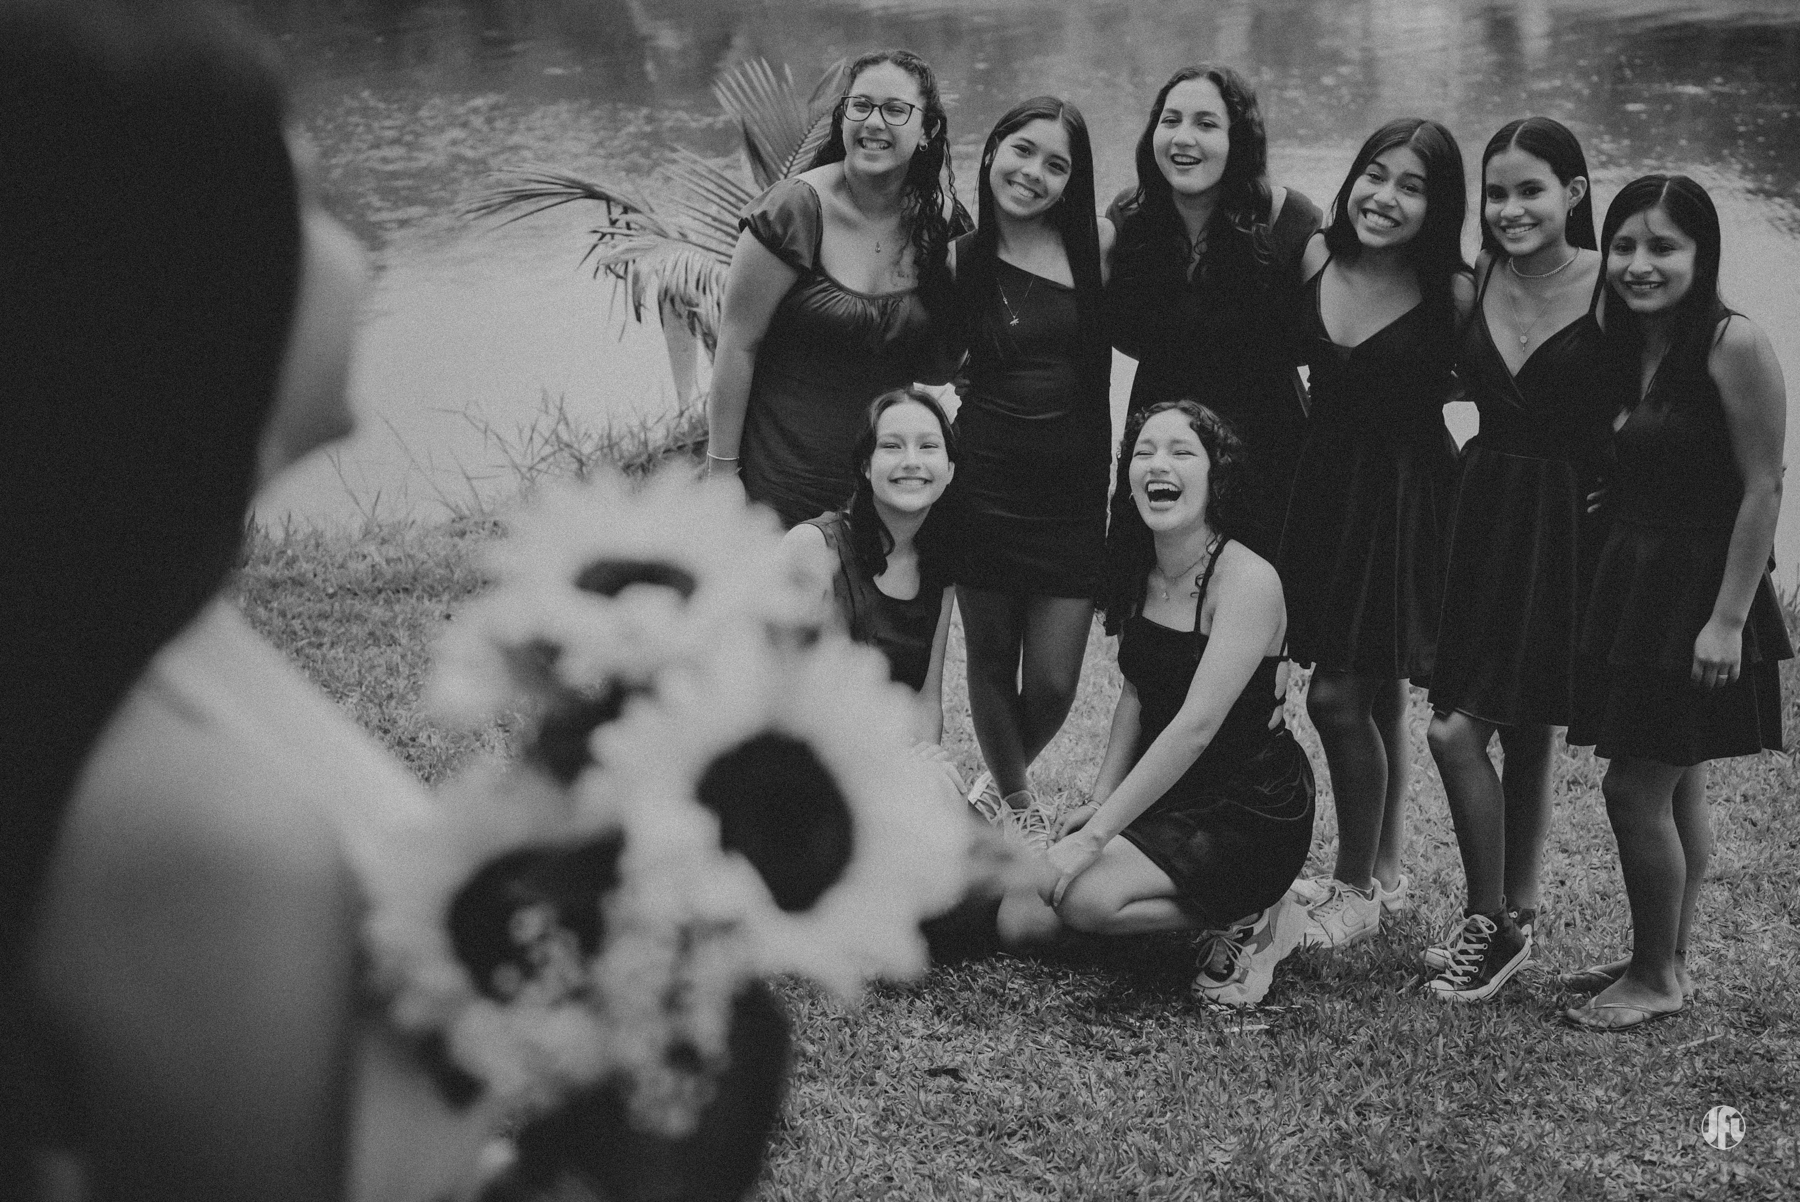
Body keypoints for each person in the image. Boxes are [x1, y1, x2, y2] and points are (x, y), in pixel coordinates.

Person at [0, 2, 509, 1197]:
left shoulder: (134, 616)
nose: (363, 245)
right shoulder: (198, 842)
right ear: (183, 271)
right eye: (315, 199)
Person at [1561, 176, 1790, 1030]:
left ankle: (1656, 976)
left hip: (1698, 594)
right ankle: (1666, 956)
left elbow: (1763, 488)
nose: (1638, 264)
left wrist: (1728, 619)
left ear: (1703, 254)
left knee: (1633, 789)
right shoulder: (1628, 343)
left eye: (1663, 247)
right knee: (1677, 781)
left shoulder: (1733, 343)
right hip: (1639, 588)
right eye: (1623, 246)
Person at [998, 402, 1316, 1007]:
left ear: (1216, 475)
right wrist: (1099, 802)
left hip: (1248, 806)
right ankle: (1178, 896)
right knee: (1021, 919)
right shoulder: (1139, 567)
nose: (1157, 465)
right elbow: (1135, 693)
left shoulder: (1248, 580)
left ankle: (1261, 914)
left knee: (1082, 900)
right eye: (1143, 452)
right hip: (1170, 792)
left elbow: (1195, 727)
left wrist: (1096, 838)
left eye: (1180, 452)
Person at [1421, 118, 1621, 1002]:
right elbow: (1447, 377)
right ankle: (1521, 908)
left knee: (1458, 731)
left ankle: (1491, 921)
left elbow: (1669, 391)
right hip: (1487, 513)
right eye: (1496, 193)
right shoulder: (1481, 278)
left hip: (1569, 527)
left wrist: (1630, 480)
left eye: (1530, 190)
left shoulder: (1615, 285)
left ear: (1573, 192)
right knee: (1518, 725)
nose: (1509, 209)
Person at [1275, 118, 1470, 951]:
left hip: (1403, 500)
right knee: (1377, 683)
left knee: (1336, 697)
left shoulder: (1454, 293)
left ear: (1439, 206)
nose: (1385, 198)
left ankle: (1354, 887)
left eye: (1412, 186)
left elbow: (1509, 387)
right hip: (1322, 490)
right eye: (1375, 175)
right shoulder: (1317, 257)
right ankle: (1385, 868)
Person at [706, 49, 962, 528]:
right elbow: (738, 344)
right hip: (779, 482)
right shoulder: (792, 212)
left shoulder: (940, 223)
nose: (873, 122)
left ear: (927, 130)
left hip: (887, 484)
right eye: (860, 105)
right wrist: (721, 472)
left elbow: (942, 360)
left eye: (895, 110)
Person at [945, 97, 1114, 817]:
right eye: (1022, 150)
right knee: (989, 661)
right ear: (992, 152)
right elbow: (933, 357)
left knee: (1052, 681)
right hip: (984, 485)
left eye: (1056, 164)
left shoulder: (1096, 246)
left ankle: (990, 794)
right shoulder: (958, 258)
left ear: (1073, 181)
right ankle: (1017, 809)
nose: (1033, 173)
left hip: (1073, 494)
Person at [1103, 64, 1323, 562]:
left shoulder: (1290, 223)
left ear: (1238, 140)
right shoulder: (1128, 222)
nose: (1183, 138)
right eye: (1170, 120)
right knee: (1151, 590)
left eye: (1206, 123)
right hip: (1159, 443)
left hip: (1266, 449)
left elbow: (1336, 326)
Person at [782, 388, 959, 755]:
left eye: (928, 446)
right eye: (892, 446)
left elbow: (926, 701)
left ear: (950, 470)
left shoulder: (939, 565)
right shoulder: (812, 548)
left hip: (880, 763)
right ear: (866, 466)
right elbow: (770, 693)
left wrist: (927, 765)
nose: (912, 461)